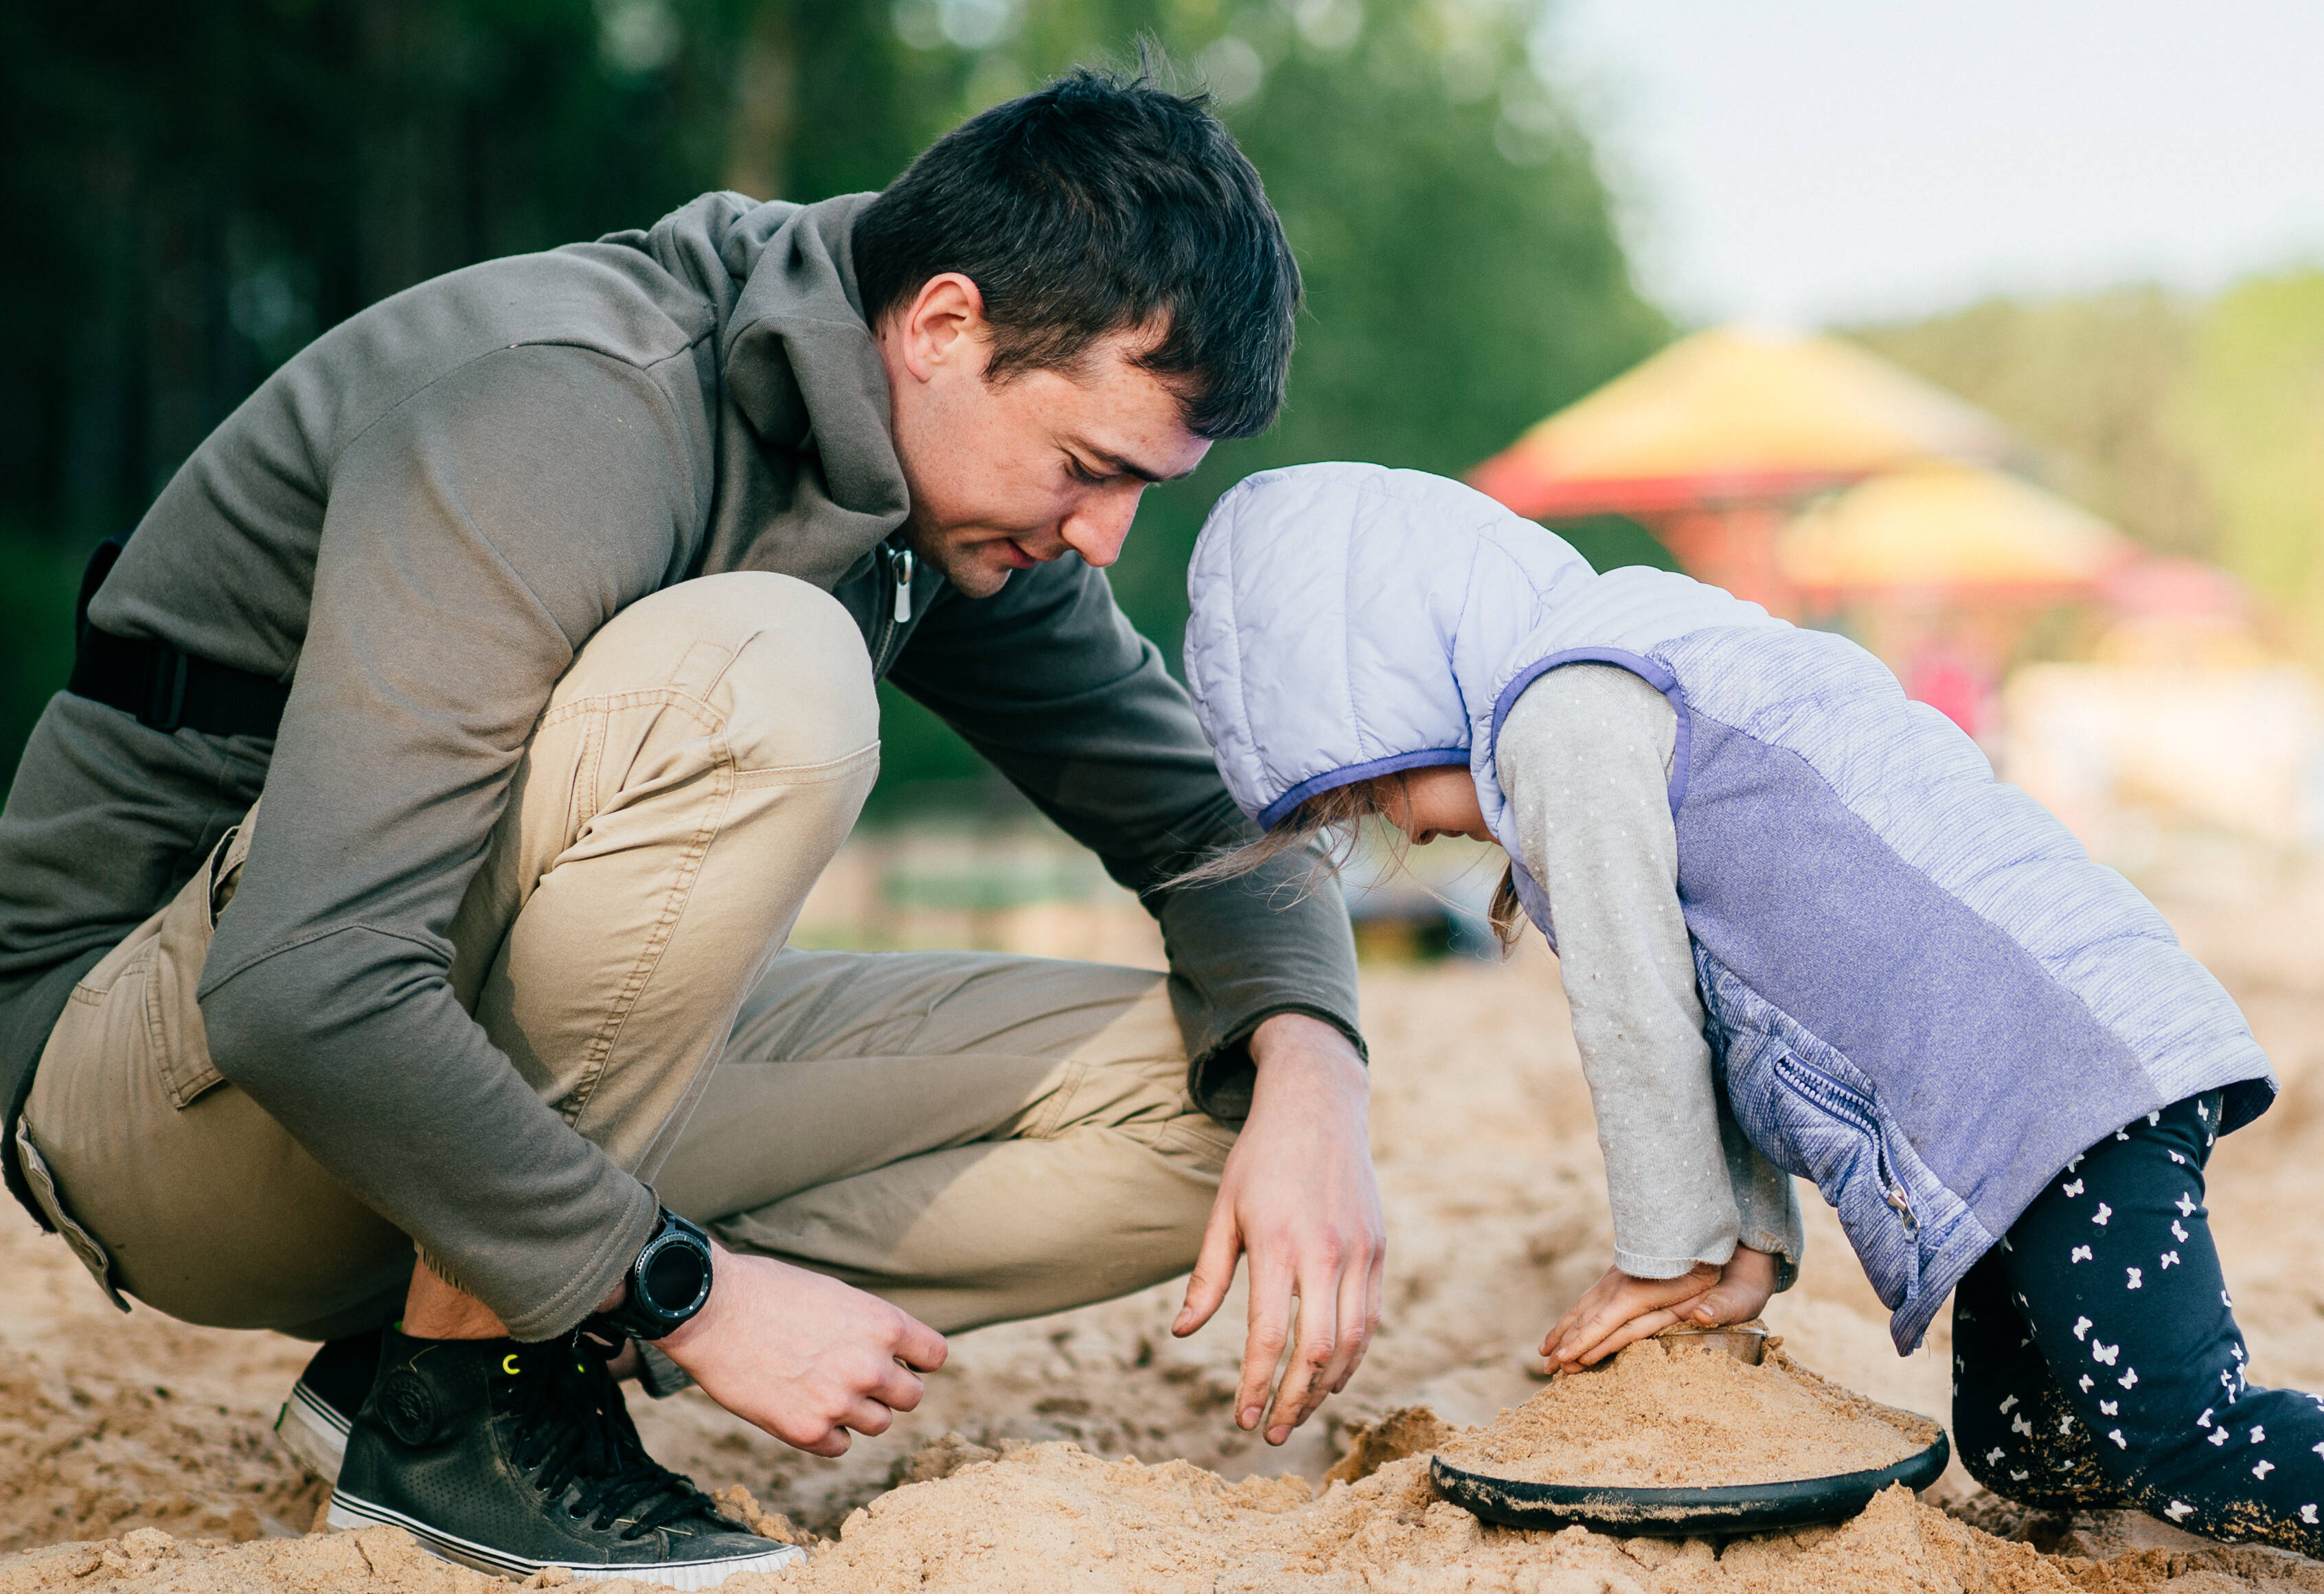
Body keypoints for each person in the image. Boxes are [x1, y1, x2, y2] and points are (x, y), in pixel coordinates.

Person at [0, 69, 1384, 1588]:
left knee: (1229, 1123)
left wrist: (1315, 1060)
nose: (1101, 538)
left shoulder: (950, 497)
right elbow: (300, 983)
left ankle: (414, 1360)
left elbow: (1201, 823)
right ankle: (470, 1410)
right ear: (941, 329)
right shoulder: (572, 401)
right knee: (765, 671)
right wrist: (685, 1293)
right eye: (1090, 468)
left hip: (435, 1121)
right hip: (154, 1090)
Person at [1172, 462, 2324, 1594]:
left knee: (2173, 1421)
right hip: (2009, 1097)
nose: (1405, 831)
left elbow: (1636, 1007)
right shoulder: (1621, 653)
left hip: (2044, 1074)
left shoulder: (1559, 715)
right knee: (2025, 1449)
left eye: (1378, 790)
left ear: (1416, 683)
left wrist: (1661, 1248)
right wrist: (1747, 1250)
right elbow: (1726, 1014)